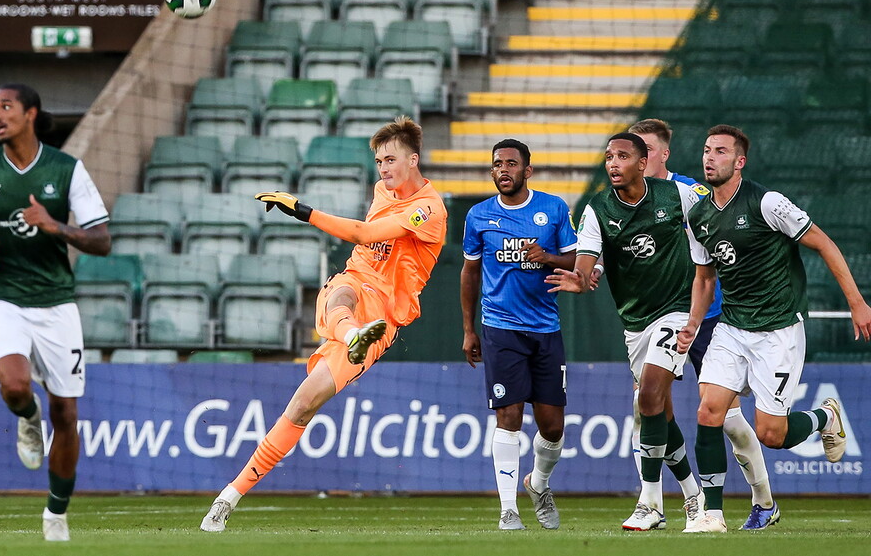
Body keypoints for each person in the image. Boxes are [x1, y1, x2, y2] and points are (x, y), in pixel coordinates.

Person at [200, 116, 447, 532]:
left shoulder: (428, 210)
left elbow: (365, 233)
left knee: (304, 404)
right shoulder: (381, 191)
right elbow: (367, 253)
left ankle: (231, 493)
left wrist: (303, 210)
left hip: (383, 318)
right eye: (378, 161)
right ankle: (227, 499)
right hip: (355, 290)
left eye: (390, 160)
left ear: (413, 159)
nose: (383, 169)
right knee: (341, 293)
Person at [676, 124, 871, 533]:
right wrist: (694, 323)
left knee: (771, 434)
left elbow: (825, 243)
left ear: (739, 162)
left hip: (778, 329)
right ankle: (711, 515)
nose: (710, 158)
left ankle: (823, 418)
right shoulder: (698, 214)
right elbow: (704, 277)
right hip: (731, 326)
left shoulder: (767, 202)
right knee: (709, 411)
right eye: (707, 151)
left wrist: (857, 302)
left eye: (721, 152)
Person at [0, 84, 111, 542]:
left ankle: (56, 515)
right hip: (2, 296)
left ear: (31, 113)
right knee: (14, 385)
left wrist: (54, 225)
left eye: (6, 106)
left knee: (68, 415)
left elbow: (102, 240)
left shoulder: (66, 169)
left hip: (56, 302)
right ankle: (26, 417)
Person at [546, 132, 704, 531]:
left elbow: (714, 230)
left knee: (647, 399)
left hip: (677, 312)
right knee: (659, 412)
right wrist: (581, 279)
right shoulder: (598, 208)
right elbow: (586, 259)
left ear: (641, 161)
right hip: (635, 322)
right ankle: (693, 494)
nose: (613, 163)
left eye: (621, 156)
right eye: (608, 157)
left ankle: (649, 504)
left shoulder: (677, 196)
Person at [625, 119, 776, 530]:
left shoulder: (691, 195)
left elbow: (719, 252)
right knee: (648, 405)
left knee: (727, 417)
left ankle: (762, 499)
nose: (637, 158)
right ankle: (669, 500)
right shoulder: (623, 201)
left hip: (707, 322)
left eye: (646, 150)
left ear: (661, 154)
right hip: (657, 320)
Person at [460, 139, 577, 530]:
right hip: (500, 328)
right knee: (508, 415)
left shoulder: (553, 209)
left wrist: (547, 258)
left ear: (527, 171)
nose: (503, 169)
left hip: (546, 329)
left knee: (553, 427)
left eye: (511, 163)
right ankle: (508, 509)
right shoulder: (478, 216)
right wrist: (468, 329)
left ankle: (538, 483)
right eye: (497, 164)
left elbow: (577, 260)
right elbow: (470, 272)